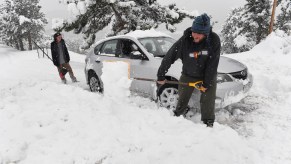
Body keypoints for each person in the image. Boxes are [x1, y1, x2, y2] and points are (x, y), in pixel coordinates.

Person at [157, 13, 221, 127]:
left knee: (208, 100)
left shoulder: (214, 40)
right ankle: (178, 116)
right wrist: (161, 75)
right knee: (182, 97)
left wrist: (206, 83)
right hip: (188, 74)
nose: (195, 36)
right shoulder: (185, 40)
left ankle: (208, 122)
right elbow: (170, 56)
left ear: (206, 33)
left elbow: (212, 64)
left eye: (199, 34)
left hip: (207, 74)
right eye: (194, 32)